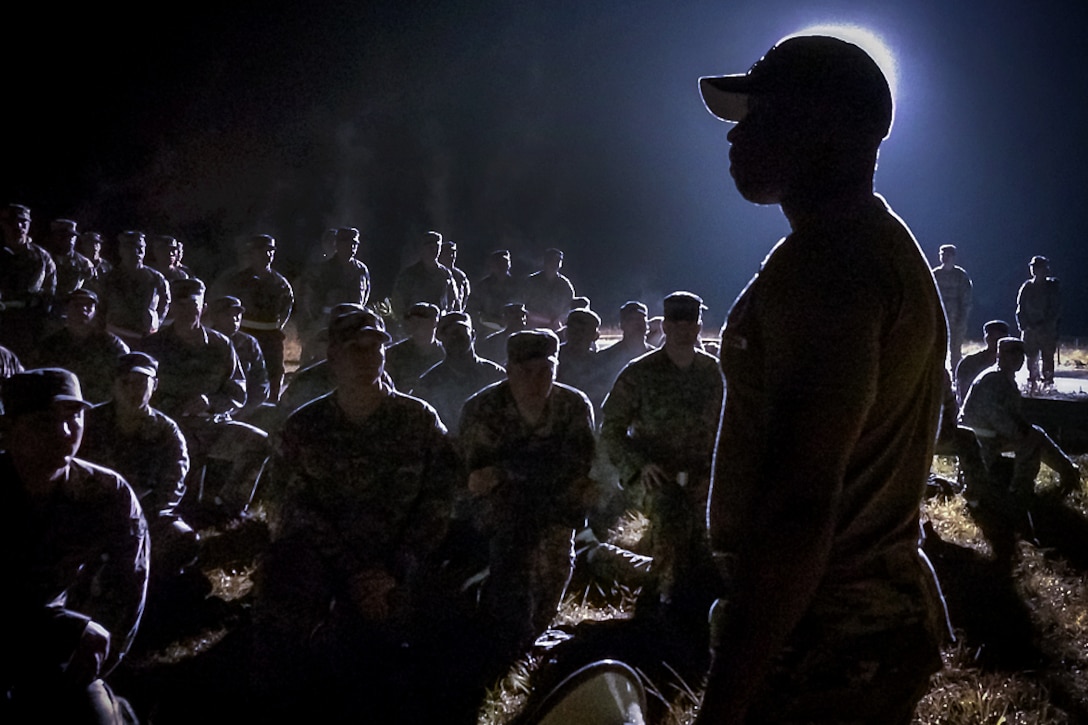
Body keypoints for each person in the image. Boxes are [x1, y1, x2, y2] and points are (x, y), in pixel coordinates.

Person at [696, 34, 949, 723]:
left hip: (825, 642)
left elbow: (799, 505)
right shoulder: (872, 244)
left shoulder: (828, 266)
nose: (736, 135)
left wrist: (723, 706)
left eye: (760, 114)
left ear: (821, 127)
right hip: (853, 627)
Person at [255, 308, 457, 720]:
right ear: (333, 357)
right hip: (329, 560)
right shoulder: (305, 426)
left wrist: (392, 568)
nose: (368, 358)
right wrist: (354, 572)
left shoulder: (418, 420)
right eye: (356, 349)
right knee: (283, 585)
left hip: (401, 559)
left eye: (376, 349)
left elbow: (440, 500)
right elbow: (295, 508)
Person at [1, 368, 149, 723]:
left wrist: (93, 662)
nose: (64, 433)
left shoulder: (106, 493)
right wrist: (65, 630)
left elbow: (127, 591)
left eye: (74, 417)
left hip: (59, 646)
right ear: (8, 431)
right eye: (43, 422)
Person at [457, 329, 596, 670]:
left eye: (545, 372)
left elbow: (578, 467)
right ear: (509, 370)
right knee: (512, 571)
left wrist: (506, 471)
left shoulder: (573, 406)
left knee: (554, 566)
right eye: (526, 372)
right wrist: (527, 472)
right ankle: (509, 650)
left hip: (554, 509)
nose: (536, 381)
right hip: (502, 515)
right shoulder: (483, 409)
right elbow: (475, 479)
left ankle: (536, 643)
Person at [599, 292, 724, 619]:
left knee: (714, 533)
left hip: (705, 476)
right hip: (656, 478)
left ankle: (713, 605)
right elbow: (610, 430)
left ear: (699, 327)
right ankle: (664, 607)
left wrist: (718, 473)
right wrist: (639, 466)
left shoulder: (715, 373)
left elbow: (732, 427)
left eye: (691, 323)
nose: (684, 329)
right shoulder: (640, 373)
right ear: (665, 326)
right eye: (676, 323)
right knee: (672, 521)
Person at [143, 278, 268, 525]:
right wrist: (174, 408)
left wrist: (210, 402)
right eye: (181, 305)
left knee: (259, 443)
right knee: (183, 501)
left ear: (204, 308)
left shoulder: (221, 345)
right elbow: (139, 393)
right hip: (167, 428)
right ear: (172, 308)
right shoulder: (154, 347)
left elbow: (237, 393)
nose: (187, 311)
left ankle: (228, 508)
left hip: (212, 425)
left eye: (193, 305)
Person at [959, 337, 1080, 499]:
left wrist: (1023, 428)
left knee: (1035, 433)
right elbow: (996, 416)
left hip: (989, 433)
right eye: (1012, 354)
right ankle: (1021, 489)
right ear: (999, 356)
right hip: (979, 439)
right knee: (1030, 440)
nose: (1018, 359)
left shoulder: (1003, 378)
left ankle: (1069, 471)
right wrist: (1020, 432)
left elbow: (1009, 414)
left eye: (1020, 355)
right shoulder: (993, 380)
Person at [211, 234, 294, 401]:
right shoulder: (237, 280)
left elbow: (287, 306)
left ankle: (270, 406)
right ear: (252, 253)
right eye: (262, 251)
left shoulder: (279, 282)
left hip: (270, 335)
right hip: (244, 331)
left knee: (274, 372)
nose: (267, 255)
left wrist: (277, 327)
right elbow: (222, 303)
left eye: (270, 251)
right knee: (241, 370)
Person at [412, 311, 505, 435]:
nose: (454, 336)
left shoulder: (496, 376)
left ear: (472, 334)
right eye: (447, 333)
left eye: (459, 330)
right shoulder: (428, 383)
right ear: (440, 339)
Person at [32, 289, 130, 404]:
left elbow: (126, 374)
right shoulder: (51, 344)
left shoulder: (111, 343)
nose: (83, 309)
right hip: (62, 403)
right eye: (77, 305)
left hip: (99, 404)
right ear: (67, 309)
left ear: (95, 311)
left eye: (89, 306)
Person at [204, 295, 272, 424]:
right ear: (214, 317)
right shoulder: (205, 341)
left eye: (237, 315)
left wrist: (245, 410)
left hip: (246, 409)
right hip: (212, 410)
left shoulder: (248, 343)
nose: (234, 319)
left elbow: (261, 382)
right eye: (227, 315)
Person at [0, 203, 57, 358]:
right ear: (3, 224)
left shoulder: (41, 257)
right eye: (12, 222)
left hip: (29, 324)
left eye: (23, 222)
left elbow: (49, 293)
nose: (18, 226)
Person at [96, 231, 170, 348]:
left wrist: (156, 323)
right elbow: (100, 305)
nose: (136, 252)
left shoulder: (156, 278)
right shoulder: (109, 278)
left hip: (145, 335)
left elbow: (165, 302)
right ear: (121, 251)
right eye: (129, 248)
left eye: (140, 248)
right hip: (116, 333)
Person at [1016, 255, 1062, 388]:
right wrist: (1024, 325)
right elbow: (1020, 308)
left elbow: (1055, 309)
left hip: (1046, 330)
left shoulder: (1052, 288)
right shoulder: (1027, 287)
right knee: (1031, 357)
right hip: (1030, 330)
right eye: (1034, 267)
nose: (1035, 270)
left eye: (1038, 267)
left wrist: (1045, 325)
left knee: (1047, 357)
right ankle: (1032, 383)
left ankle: (1048, 383)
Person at [390, 231, 458, 317]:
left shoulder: (445, 274)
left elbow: (453, 300)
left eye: (437, 247)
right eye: (430, 247)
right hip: (416, 322)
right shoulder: (410, 274)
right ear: (422, 249)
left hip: (439, 322)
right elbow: (398, 302)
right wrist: (406, 320)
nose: (433, 250)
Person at [385, 301, 444, 392]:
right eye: (412, 322)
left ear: (434, 323)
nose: (416, 326)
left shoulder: (444, 353)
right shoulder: (394, 353)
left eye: (420, 322)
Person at [931, 244, 972, 366]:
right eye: (942, 255)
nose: (945, 257)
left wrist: (962, 319)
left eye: (947, 255)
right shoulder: (935, 275)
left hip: (956, 320)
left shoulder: (960, 276)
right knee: (937, 349)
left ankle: (956, 377)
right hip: (939, 319)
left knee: (955, 352)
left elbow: (966, 300)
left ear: (953, 257)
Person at [955, 320, 1010, 406]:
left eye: (1000, 339)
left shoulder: (1012, 362)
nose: (996, 343)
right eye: (993, 338)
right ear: (986, 338)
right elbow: (964, 393)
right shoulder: (970, 362)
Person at [523, 248, 575, 330]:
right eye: (551, 260)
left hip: (556, 326)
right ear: (545, 261)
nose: (554, 264)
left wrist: (559, 320)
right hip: (532, 325)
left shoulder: (565, 285)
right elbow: (519, 304)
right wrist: (541, 319)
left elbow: (569, 307)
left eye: (558, 261)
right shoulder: (531, 282)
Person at [470, 249, 519, 330]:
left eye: (505, 263)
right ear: (492, 266)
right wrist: (494, 320)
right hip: (487, 328)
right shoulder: (482, 287)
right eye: (498, 264)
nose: (501, 267)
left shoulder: (517, 286)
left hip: (512, 328)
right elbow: (474, 310)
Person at [439, 238, 471, 311]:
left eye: (453, 253)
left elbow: (466, 296)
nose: (451, 256)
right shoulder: (438, 273)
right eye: (447, 253)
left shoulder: (460, 276)